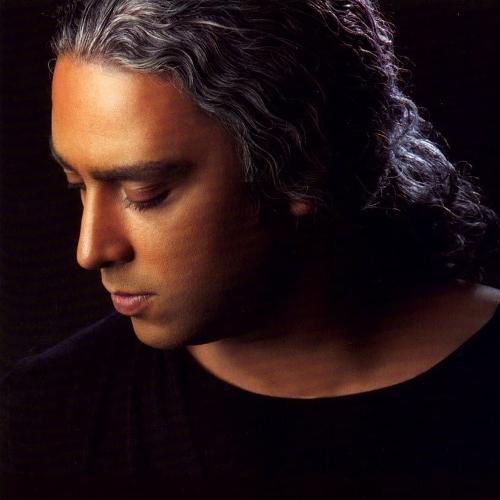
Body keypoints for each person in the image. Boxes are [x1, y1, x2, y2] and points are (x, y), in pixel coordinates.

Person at [1, 0, 500, 497]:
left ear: (301, 164)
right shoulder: (48, 415)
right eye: (77, 185)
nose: (90, 250)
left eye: (144, 193)